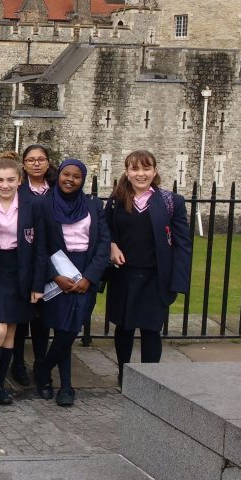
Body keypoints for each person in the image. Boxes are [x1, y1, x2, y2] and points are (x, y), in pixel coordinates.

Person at [105, 150, 191, 387]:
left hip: (156, 276)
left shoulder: (171, 201)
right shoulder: (117, 200)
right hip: (125, 274)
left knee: (151, 330)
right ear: (127, 172)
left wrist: (178, 282)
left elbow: (183, 244)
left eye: (146, 168)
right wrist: (111, 246)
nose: (141, 174)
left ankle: (150, 380)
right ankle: (124, 374)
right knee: (124, 328)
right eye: (135, 169)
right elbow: (106, 230)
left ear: (154, 171)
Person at [37, 159, 111, 405]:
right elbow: (40, 245)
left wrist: (90, 277)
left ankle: (44, 369)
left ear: (83, 179)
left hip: (85, 270)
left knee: (70, 330)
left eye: (76, 176)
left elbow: (102, 243)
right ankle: (65, 386)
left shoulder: (92, 205)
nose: (70, 179)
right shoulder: (45, 204)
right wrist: (54, 275)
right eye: (66, 174)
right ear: (58, 176)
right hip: (58, 271)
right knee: (60, 328)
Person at [0, 158, 46, 407]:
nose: (5, 185)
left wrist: (38, 285)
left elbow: (41, 248)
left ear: (20, 180)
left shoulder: (34, 204)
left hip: (21, 270)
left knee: (11, 333)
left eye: (10, 180)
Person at [9, 143, 56, 387]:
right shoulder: (17, 190)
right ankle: (17, 362)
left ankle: (41, 364)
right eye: (30, 160)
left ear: (48, 162)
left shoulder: (56, 190)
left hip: (54, 259)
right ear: (24, 165)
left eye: (41, 159)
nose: (36, 163)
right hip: (23, 260)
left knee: (42, 319)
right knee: (20, 318)